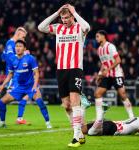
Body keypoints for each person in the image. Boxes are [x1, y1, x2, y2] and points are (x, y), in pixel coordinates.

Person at [38, 4, 90, 147]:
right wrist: (56, 12)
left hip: (75, 69)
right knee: (66, 105)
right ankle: (80, 134)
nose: (65, 20)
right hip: (61, 70)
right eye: (63, 18)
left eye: (67, 17)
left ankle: (75, 137)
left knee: (74, 102)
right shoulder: (58, 28)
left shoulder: (79, 28)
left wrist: (75, 12)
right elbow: (40, 27)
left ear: (72, 16)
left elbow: (87, 27)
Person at [0, 39, 52, 129]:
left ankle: (48, 123)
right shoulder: (12, 59)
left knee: (40, 102)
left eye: (20, 46)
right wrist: (2, 86)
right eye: (16, 46)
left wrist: (35, 86)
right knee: (1, 102)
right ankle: (2, 122)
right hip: (19, 87)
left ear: (24, 48)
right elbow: (10, 74)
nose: (18, 48)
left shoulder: (30, 58)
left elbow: (36, 73)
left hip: (30, 86)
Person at [88, 30, 135, 135]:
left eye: (97, 36)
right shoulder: (99, 49)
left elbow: (118, 60)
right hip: (107, 75)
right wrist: (100, 74)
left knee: (122, 95)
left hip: (116, 74)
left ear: (104, 36)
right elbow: (103, 64)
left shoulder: (110, 46)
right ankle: (99, 118)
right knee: (97, 93)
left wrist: (108, 69)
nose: (96, 38)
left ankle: (132, 117)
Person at [0, 27, 28, 126]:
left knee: (26, 95)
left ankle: (17, 118)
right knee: (3, 100)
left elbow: (4, 57)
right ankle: (14, 119)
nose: (23, 40)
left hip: (16, 75)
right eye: (23, 37)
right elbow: (11, 58)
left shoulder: (13, 45)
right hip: (13, 77)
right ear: (18, 34)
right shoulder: (10, 44)